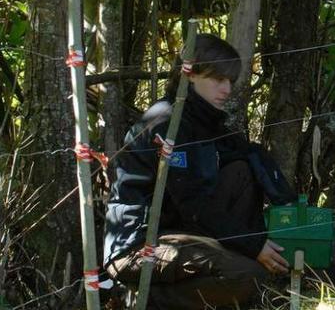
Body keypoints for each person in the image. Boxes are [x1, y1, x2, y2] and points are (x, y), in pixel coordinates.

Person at [103, 34, 294, 309]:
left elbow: (241, 165)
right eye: (218, 80)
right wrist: (253, 245)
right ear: (190, 74)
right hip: (137, 245)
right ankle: (138, 299)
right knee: (247, 277)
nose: (227, 89)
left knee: (241, 168)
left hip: (182, 234)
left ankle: (230, 272)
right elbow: (193, 203)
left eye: (230, 81)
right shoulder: (167, 121)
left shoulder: (203, 120)